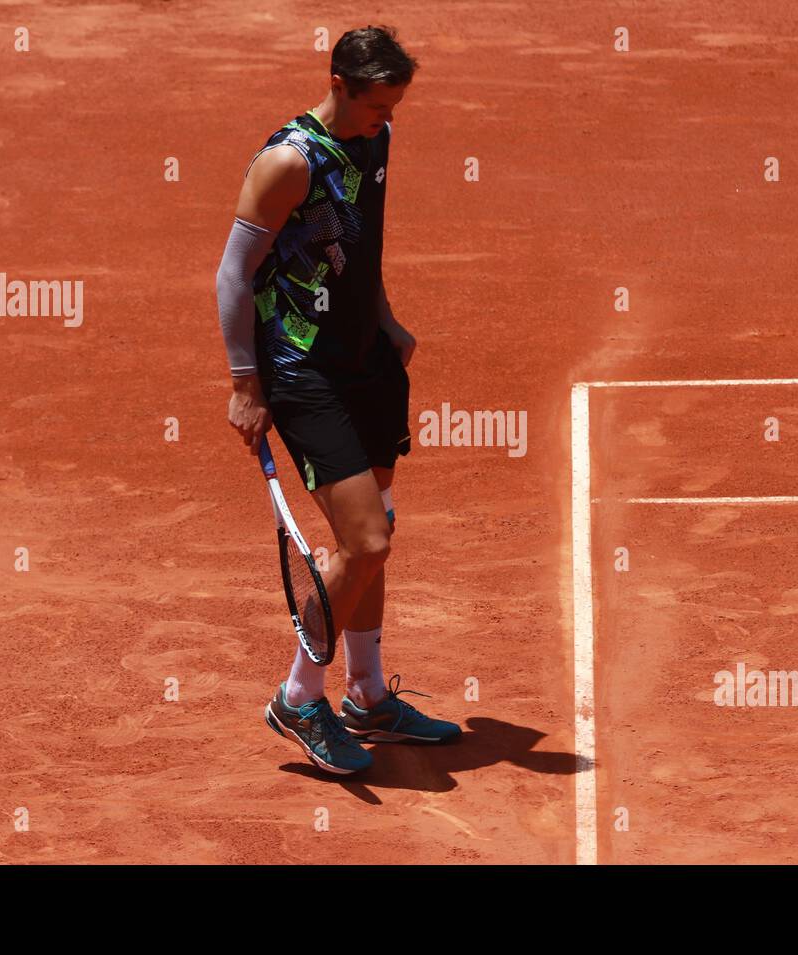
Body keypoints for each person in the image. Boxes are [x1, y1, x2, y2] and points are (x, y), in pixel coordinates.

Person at [215, 25, 460, 775]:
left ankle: (366, 695)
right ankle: (298, 698)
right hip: (301, 371)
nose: (388, 118)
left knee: (376, 529)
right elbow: (232, 274)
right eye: (378, 104)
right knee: (366, 543)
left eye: (395, 105)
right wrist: (245, 382)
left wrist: (382, 319)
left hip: (366, 363)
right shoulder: (288, 163)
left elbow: (358, 246)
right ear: (342, 86)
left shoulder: (373, 139)